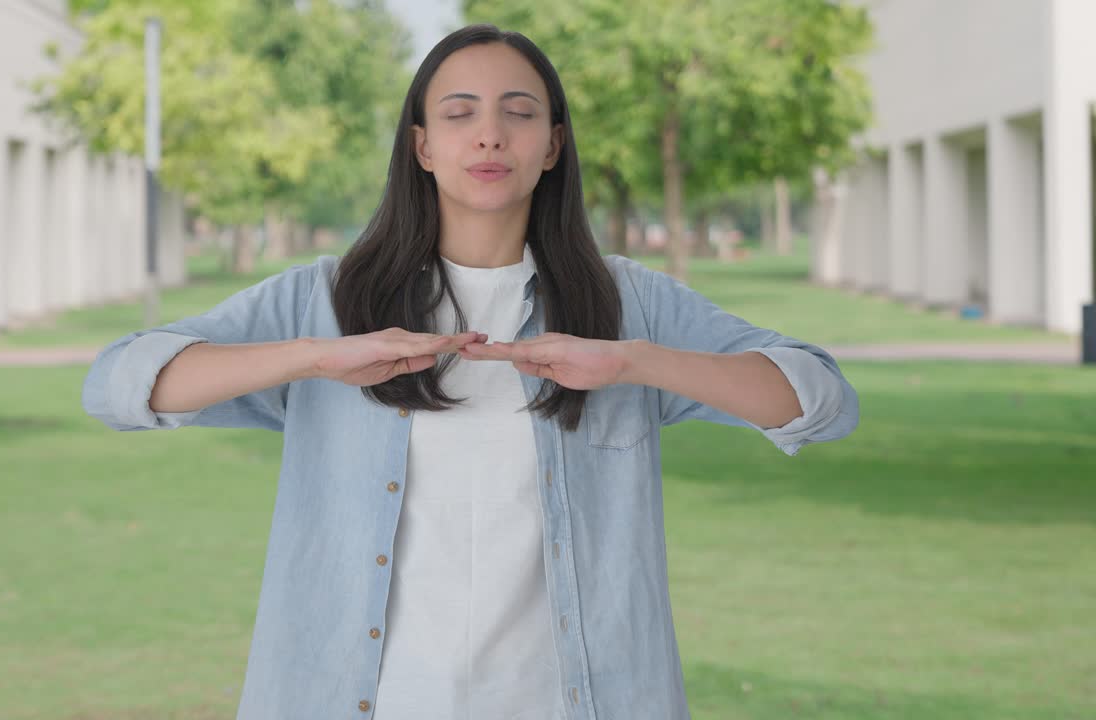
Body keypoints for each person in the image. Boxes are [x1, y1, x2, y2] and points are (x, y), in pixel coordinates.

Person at [82, 23, 859, 720]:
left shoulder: (628, 303)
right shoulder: (322, 297)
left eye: (518, 113)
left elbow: (820, 401)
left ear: (553, 144)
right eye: (460, 114)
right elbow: (118, 385)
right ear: (421, 145)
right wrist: (317, 355)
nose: (490, 135)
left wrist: (632, 361)